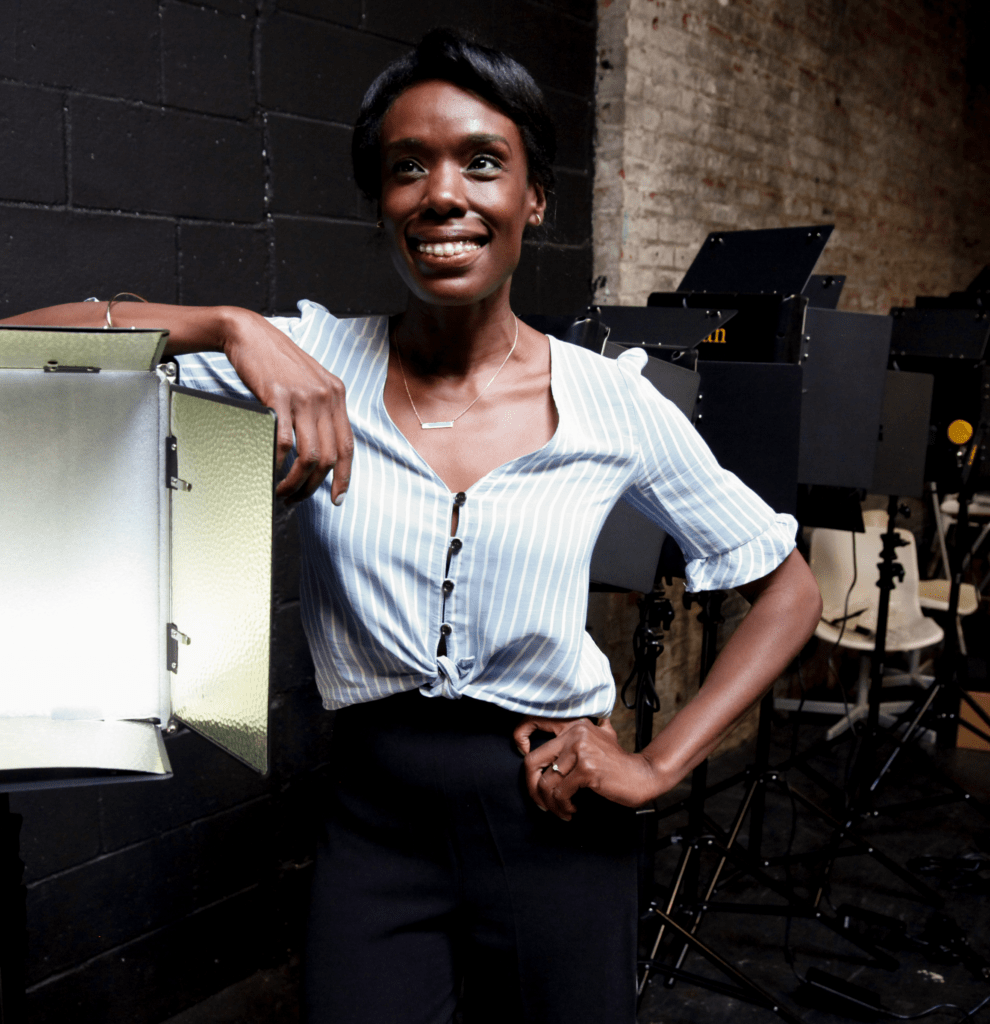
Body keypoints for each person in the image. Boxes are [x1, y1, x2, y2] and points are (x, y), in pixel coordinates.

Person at [2, 29, 822, 1024]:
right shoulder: (306, 359)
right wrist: (232, 325)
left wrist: (655, 766)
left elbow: (788, 588)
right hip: (374, 819)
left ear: (534, 197)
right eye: (407, 167)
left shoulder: (614, 402)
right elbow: (25, 354)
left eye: (483, 161)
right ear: (382, 203)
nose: (443, 193)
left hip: (553, 814)